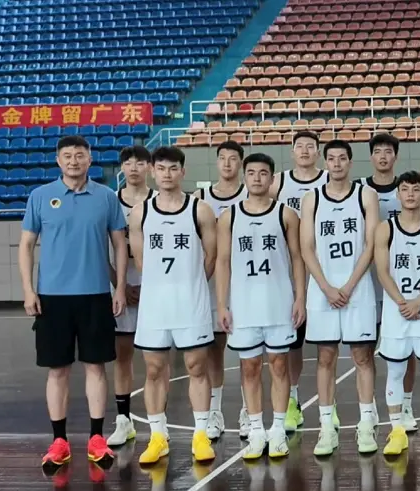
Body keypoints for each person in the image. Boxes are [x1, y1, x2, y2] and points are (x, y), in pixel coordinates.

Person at [20, 136, 125, 468]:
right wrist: (28, 290)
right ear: (58, 160)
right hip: (52, 298)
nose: (74, 161)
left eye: (80, 155)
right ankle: (59, 441)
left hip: (95, 295)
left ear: (90, 159)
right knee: (57, 370)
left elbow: (119, 244)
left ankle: (96, 438)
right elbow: (26, 245)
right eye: (67, 156)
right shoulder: (40, 196)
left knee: (96, 366)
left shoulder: (106, 197)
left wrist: (120, 287)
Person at [129, 146, 218, 464]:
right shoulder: (140, 212)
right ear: (153, 171)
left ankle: (201, 435)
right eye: (161, 168)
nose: (167, 174)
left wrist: (190, 283)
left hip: (190, 303)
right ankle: (157, 437)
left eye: (173, 168)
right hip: (155, 305)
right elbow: (140, 261)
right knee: (154, 369)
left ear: (183, 171)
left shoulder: (200, 210)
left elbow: (211, 257)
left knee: (196, 367)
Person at [215, 152, 305, 460]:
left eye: (263, 173)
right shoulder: (229, 216)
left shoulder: (286, 214)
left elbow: (297, 259)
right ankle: (255, 430)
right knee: (249, 366)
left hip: (279, 303)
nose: (256, 178)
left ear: (272, 178)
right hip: (243, 305)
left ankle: (277, 429)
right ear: (244, 176)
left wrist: (300, 298)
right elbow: (223, 261)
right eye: (251, 172)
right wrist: (222, 304)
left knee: (279, 365)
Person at [300, 139, 381, 456]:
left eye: (342, 158)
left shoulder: (365, 195)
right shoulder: (312, 198)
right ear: (325, 162)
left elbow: (371, 245)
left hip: (357, 288)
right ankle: (326, 427)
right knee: (325, 358)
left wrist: (348, 286)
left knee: (362, 357)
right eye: (331, 158)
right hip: (322, 290)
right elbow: (307, 247)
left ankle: (366, 424)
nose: (336, 163)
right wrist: (326, 287)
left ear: (350, 162)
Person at [374, 170, 420, 456]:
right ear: (398, 193)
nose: (410, 194)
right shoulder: (385, 229)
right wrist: (402, 302)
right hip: (397, 311)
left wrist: (418, 301)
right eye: (405, 189)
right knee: (395, 370)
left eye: (416, 189)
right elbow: (382, 271)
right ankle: (397, 432)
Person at [271, 130, 331, 431]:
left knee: (327, 345)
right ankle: (293, 401)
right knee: (292, 344)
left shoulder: (330, 180)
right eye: (300, 146)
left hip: (325, 273)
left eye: (310, 146)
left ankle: (328, 406)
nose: (305, 151)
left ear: (318, 152)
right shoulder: (278, 183)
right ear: (292, 151)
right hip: (288, 272)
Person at [360, 133, 417, 432]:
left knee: (407, 348)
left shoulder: (408, 188)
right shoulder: (359, 190)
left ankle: (405, 404)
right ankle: (368, 408)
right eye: (378, 151)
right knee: (365, 349)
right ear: (371, 156)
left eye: (388, 151)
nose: (383, 156)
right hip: (367, 282)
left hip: (402, 284)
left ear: (396, 156)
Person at [195, 140, 247, 439]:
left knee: (248, 352)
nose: (227, 164)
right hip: (212, 280)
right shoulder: (200, 199)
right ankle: (214, 411)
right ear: (216, 163)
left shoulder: (252, 195)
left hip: (246, 280)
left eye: (233, 158)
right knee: (215, 349)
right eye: (222, 158)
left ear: (241, 163)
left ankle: (247, 410)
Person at [107, 145, 155, 447]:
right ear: (121, 168)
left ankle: (158, 424)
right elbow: (101, 250)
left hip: (156, 288)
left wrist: (151, 285)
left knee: (155, 360)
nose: (134, 168)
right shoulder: (110, 202)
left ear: (149, 167)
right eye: (128, 163)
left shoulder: (161, 200)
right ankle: (123, 420)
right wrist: (121, 285)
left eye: (140, 163)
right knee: (123, 355)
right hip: (122, 290)